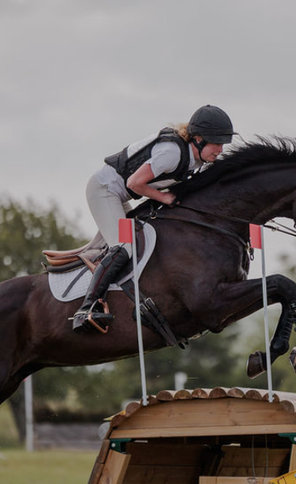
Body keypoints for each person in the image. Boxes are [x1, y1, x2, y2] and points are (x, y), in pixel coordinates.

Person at [71, 104, 236, 333]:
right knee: (124, 247)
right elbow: (134, 183)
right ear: (198, 139)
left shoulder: (195, 160)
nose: (220, 149)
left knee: (145, 242)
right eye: (216, 143)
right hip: (105, 189)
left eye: (223, 144)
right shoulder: (173, 153)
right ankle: (86, 308)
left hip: (119, 193)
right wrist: (164, 198)